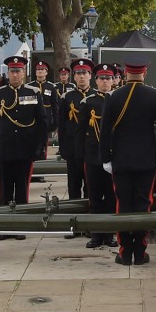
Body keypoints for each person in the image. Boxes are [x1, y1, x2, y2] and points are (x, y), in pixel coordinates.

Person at [99, 54, 156, 266]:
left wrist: (106, 159)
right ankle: (140, 251)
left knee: (123, 205)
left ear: (126, 72)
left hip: (121, 161)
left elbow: (104, 132)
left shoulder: (113, 97)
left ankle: (125, 251)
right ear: (144, 72)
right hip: (146, 161)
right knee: (143, 205)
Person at [0, 55, 48, 240]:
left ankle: (21, 225)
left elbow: (42, 121)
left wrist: (40, 146)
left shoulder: (32, 93)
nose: (15, 75)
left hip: (25, 147)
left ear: (24, 73)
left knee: (22, 189)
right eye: (12, 71)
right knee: (5, 189)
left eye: (18, 71)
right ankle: (4, 226)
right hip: (5, 147)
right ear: (8, 73)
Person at [76, 62, 118, 249]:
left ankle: (109, 234)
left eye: (108, 78)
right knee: (94, 196)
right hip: (93, 155)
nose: (104, 82)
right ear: (96, 80)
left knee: (111, 196)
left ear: (113, 80)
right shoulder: (88, 102)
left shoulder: (118, 100)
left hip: (113, 155)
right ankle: (96, 234)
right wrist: (80, 155)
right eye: (101, 78)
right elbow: (81, 130)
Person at [57, 58, 93, 204]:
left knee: (91, 185)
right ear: (74, 76)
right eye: (78, 73)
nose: (82, 76)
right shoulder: (67, 98)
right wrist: (63, 148)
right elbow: (62, 125)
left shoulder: (97, 96)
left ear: (90, 75)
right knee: (74, 184)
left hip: (91, 148)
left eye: (85, 73)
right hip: (73, 148)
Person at [28, 60, 59, 159]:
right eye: (38, 69)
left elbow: (55, 106)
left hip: (46, 118)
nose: (40, 71)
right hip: (33, 119)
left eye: (42, 69)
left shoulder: (51, 87)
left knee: (43, 143)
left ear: (46, 72)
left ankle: (42, 161)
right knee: (32, 143)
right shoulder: (30, 86)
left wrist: (55, 122)